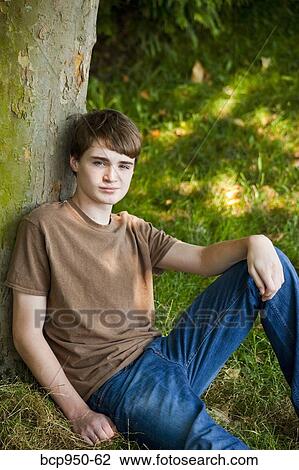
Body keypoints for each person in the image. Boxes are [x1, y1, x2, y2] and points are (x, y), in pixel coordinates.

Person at [4, 108, 299, 450]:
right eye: (99, 162)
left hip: (168, 353)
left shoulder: (134, 229)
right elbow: (26, 332)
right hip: (119, 382)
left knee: (268, 261)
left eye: (123, 165)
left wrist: (256, 242)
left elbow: (203, 259)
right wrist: (79, 413)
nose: (111, 176)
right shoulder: (43, 227)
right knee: (213, 448)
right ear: (74, 162)